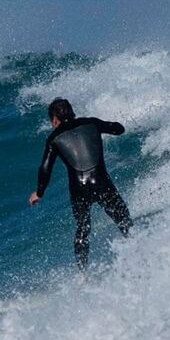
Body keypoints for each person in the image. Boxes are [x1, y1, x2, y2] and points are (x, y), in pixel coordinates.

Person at [29, 98, 132, 268]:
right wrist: (110, 126)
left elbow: (45, 168)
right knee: (123, 218)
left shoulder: (53, 138)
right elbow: (118, 129)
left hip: (79, 190)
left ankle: (83, 273)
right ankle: (137, 247)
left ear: (54, 120)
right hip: (102, 183)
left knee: (83, 228)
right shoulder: (91, 123)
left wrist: (39, 193)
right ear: (72, 113)